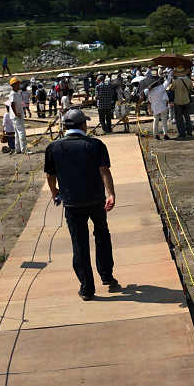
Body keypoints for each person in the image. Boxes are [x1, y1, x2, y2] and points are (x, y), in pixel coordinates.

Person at [44, 108, 120, 301]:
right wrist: (110, 193)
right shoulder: (95, 145)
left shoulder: (53, 148)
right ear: (82, 125)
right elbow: (104, 171)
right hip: (96, 200)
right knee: (102, 234)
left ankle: (87, 288)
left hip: (71, 203)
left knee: (79, 243)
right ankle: (106, 275)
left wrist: (55, 193)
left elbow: (50, 176)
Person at [171, 68, 193, 138]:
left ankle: (182, 133)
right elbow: (191, 89)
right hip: (186, 100)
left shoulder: (175, 82)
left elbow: (171, 89)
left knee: (179, 118)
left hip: (177, 101)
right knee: (187, 117)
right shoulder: (189, 81)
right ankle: (189, 132)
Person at [7, 77, 28, 153]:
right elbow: (12, 104)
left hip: (17, 115)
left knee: (17, 133)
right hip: (16, 116)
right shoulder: (13, 94)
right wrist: (16, 114)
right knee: (22, 132)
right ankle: (24, 149)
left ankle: (18, 149)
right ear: (14, 85)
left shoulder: (17, 93)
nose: (19, 85)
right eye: (18, 84)